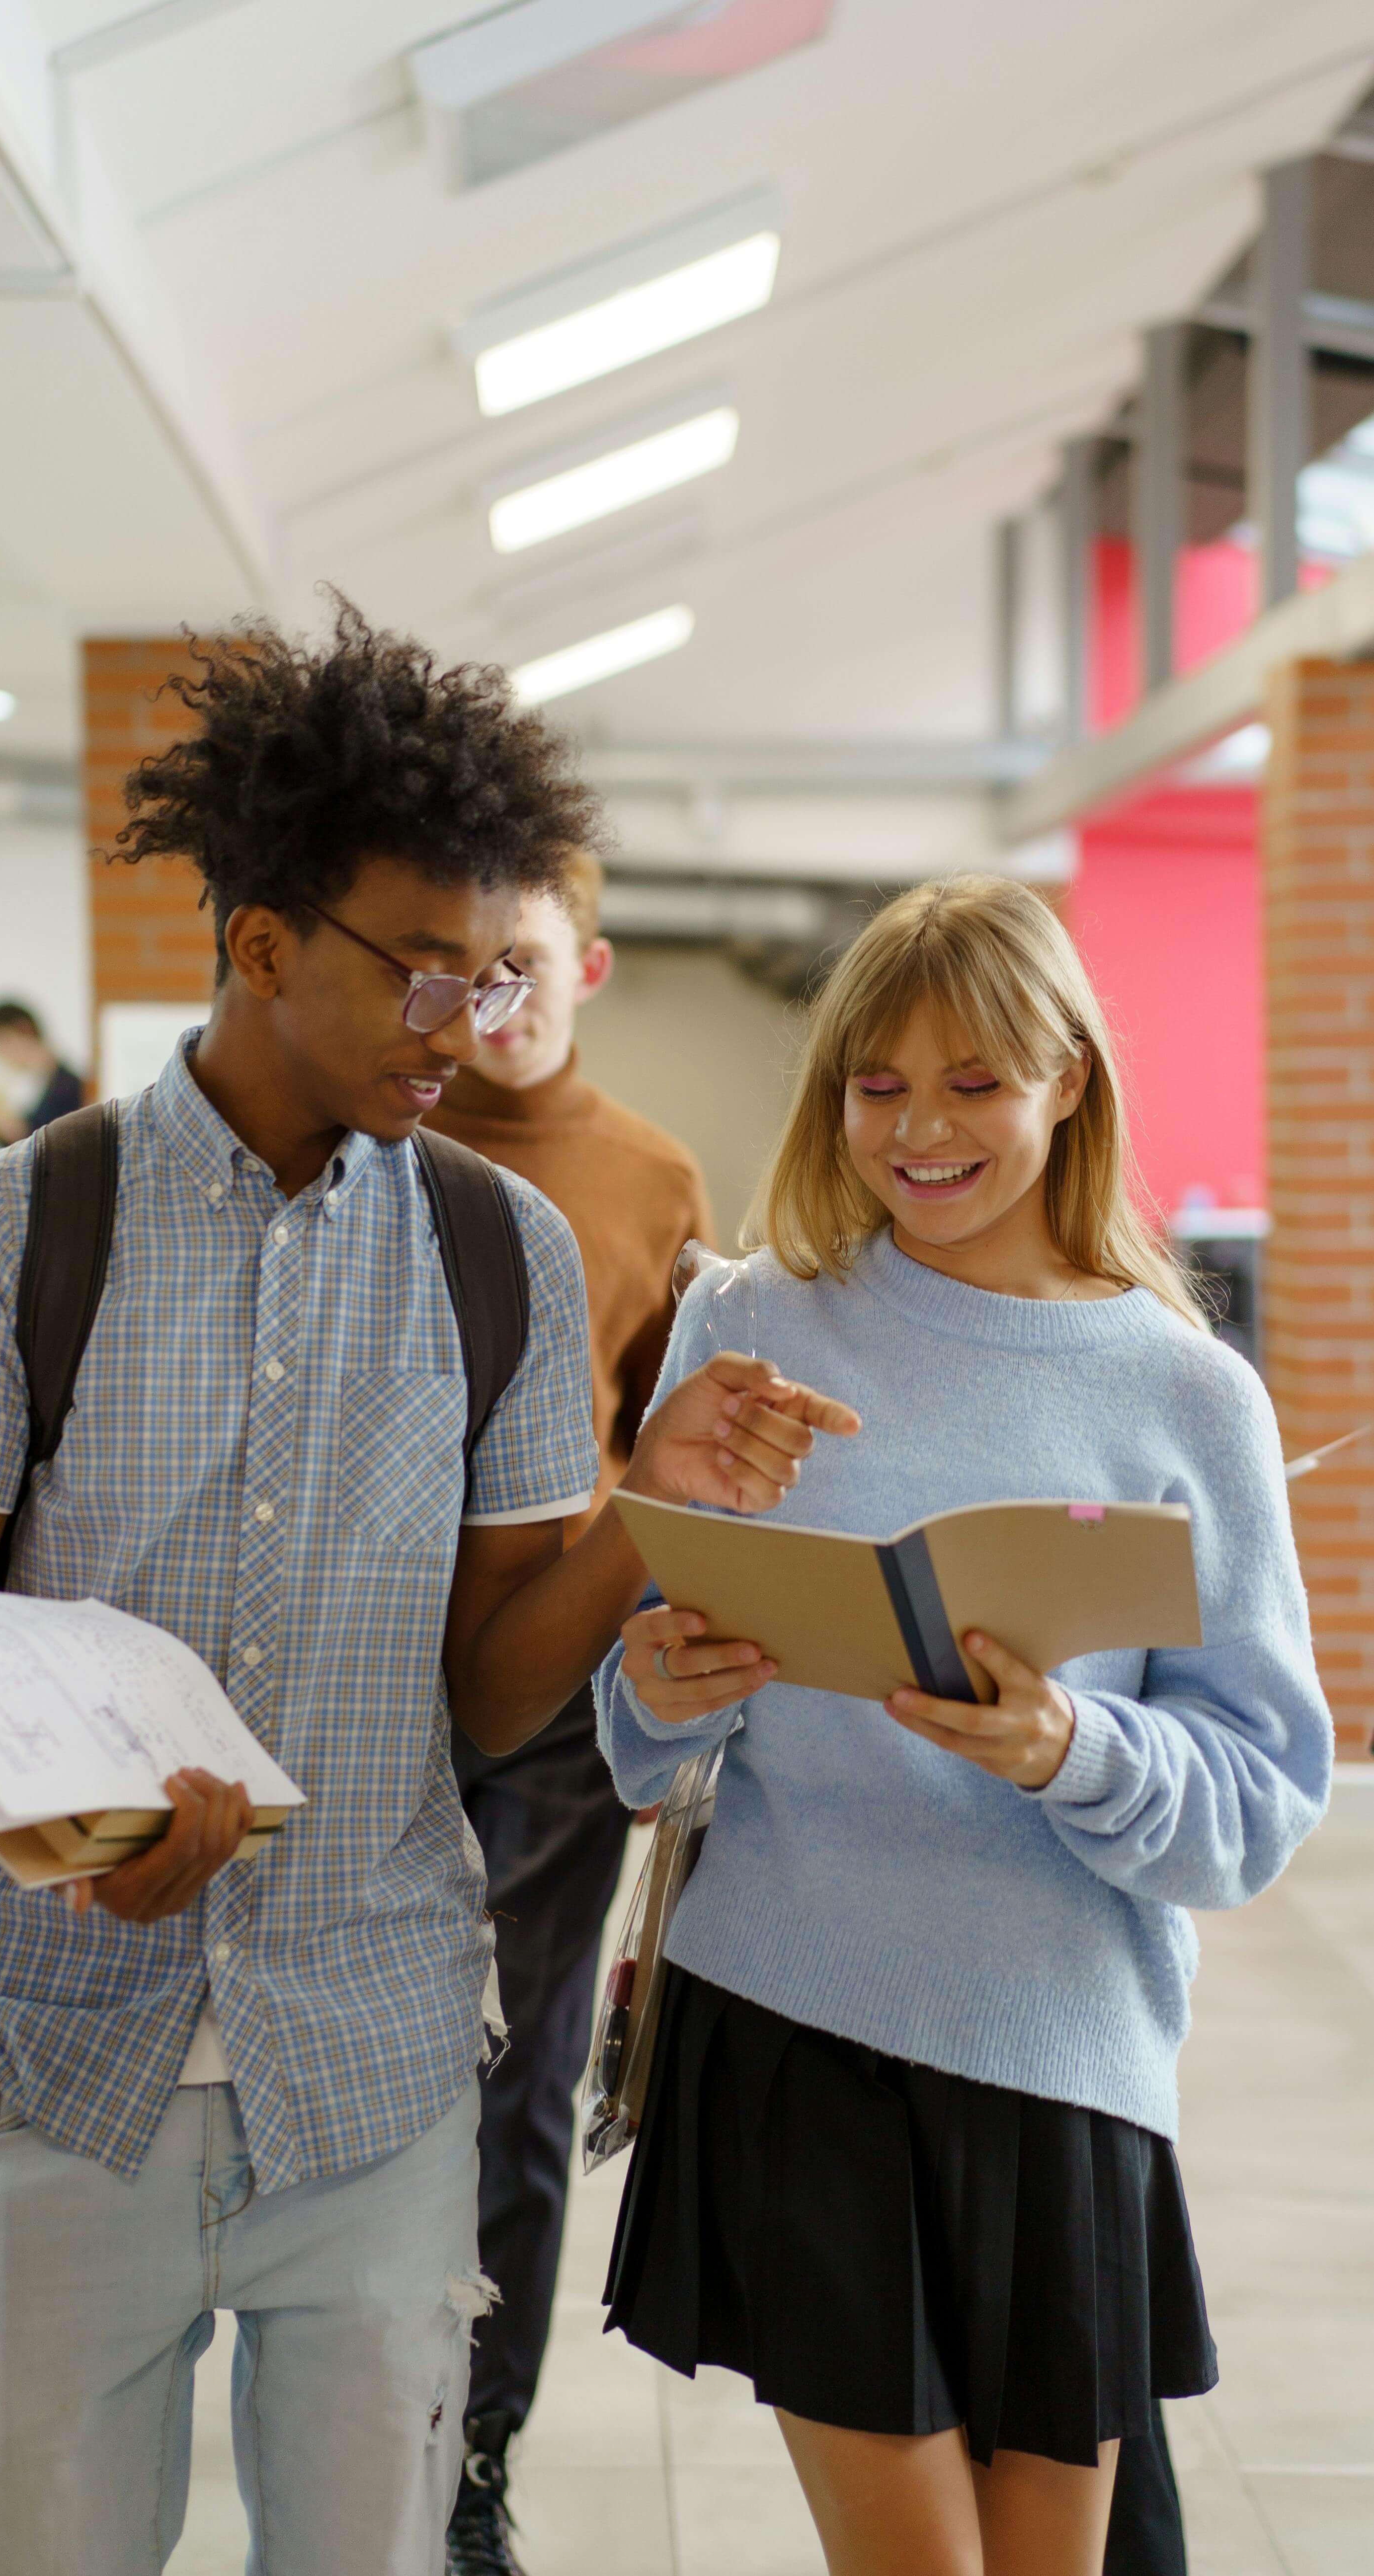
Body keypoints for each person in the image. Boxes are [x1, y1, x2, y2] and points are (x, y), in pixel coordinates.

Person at [0, 599, 850, 2576]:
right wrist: (69, 1833)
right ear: (257, 946)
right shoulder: (13, 1232)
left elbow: (491, 1703)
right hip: (67, 2069)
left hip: (381, 2081)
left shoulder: (506, 1259)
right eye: (422, 977)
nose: (468, 1028)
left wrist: (650, 1505)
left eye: (500, 977)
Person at [595, 875, 1332, 2576]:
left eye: (974, 1080)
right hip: (790, 2018)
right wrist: (653, 1679)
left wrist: (1067, 1749)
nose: (919, 1128)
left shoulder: (1180, 1390)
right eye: (875, 1084)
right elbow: (641, 1733)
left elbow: (1257, 1799)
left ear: (1066, 1080)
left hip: (1056, 2052)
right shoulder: (746, 1323)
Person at [425, 850, 713, 2572]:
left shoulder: (651, 1176)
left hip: (553, 1701)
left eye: (526, 966)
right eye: (467, 972)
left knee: (518, 2079)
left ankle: (473, 2467)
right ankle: (343, 2400)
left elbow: (675, 1455)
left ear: (588, 963)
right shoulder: (384, 1139)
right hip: (359, 1678)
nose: (497, 1003)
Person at [0, 999, 83, 1145]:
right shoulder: (45, 1083)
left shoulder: (68, 1086)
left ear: (24, 1029)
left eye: (2, 1041)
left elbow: (45, 1145)